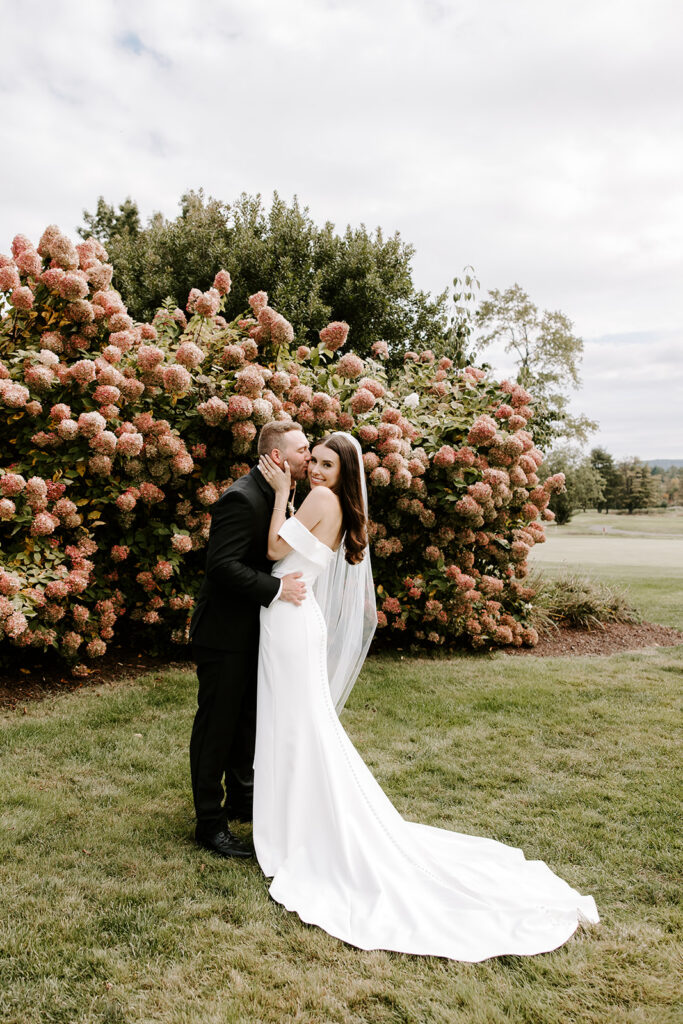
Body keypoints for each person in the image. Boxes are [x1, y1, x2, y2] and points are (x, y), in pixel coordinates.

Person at [254, 431, 599, 962]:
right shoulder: (334, 505)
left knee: (298, 725)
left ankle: (301, 828)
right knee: (301, 724)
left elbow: (276, 549)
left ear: (344, 474)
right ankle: (297, 819)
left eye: (327, 464)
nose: (317, 471)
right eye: (314, 462)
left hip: (293, 622)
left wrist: (281, 494)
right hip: (297, 618)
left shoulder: (318, 499)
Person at [188, 421, 311, 859]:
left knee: (246, 725)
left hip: (254, 633)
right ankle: (209, 824)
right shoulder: (241, 498)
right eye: (302, 450)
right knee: (216, 730)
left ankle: (243, 802)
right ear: (277, 456)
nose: (308, 456)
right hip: (223, 636)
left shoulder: (280, 494)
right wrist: (277, 590)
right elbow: (221, 567)